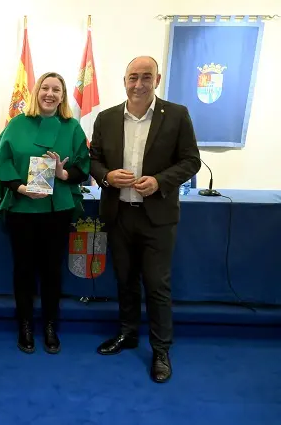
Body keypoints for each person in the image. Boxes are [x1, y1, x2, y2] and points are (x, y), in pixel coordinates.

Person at [89, 56, 201, 383]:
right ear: (124, 80)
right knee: (124, 280)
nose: (139, 84)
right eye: (133, 77)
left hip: (157, 218)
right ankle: (127, 334)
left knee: (156, 285)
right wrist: (107, 176)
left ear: (157, 79)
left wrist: (160, 181)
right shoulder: (106, 118)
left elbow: (191, 160)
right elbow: (93, 160)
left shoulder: (177, 115)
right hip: (118, 214)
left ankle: (160, 350)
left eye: (146, 77)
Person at [0, 72, 90, 354]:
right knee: (23, 269)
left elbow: (83, 167)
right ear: (36, 92)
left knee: (51, 270)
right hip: (22, 208)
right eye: (45, 88)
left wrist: (63, 173)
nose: (50, 94)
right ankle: (24, 324)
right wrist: (20, 188)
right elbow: (0, 160)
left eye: (56, 89)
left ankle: (49, 325)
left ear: (63, 95)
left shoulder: (72, 127)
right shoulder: (17, 124)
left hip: (56, 210)